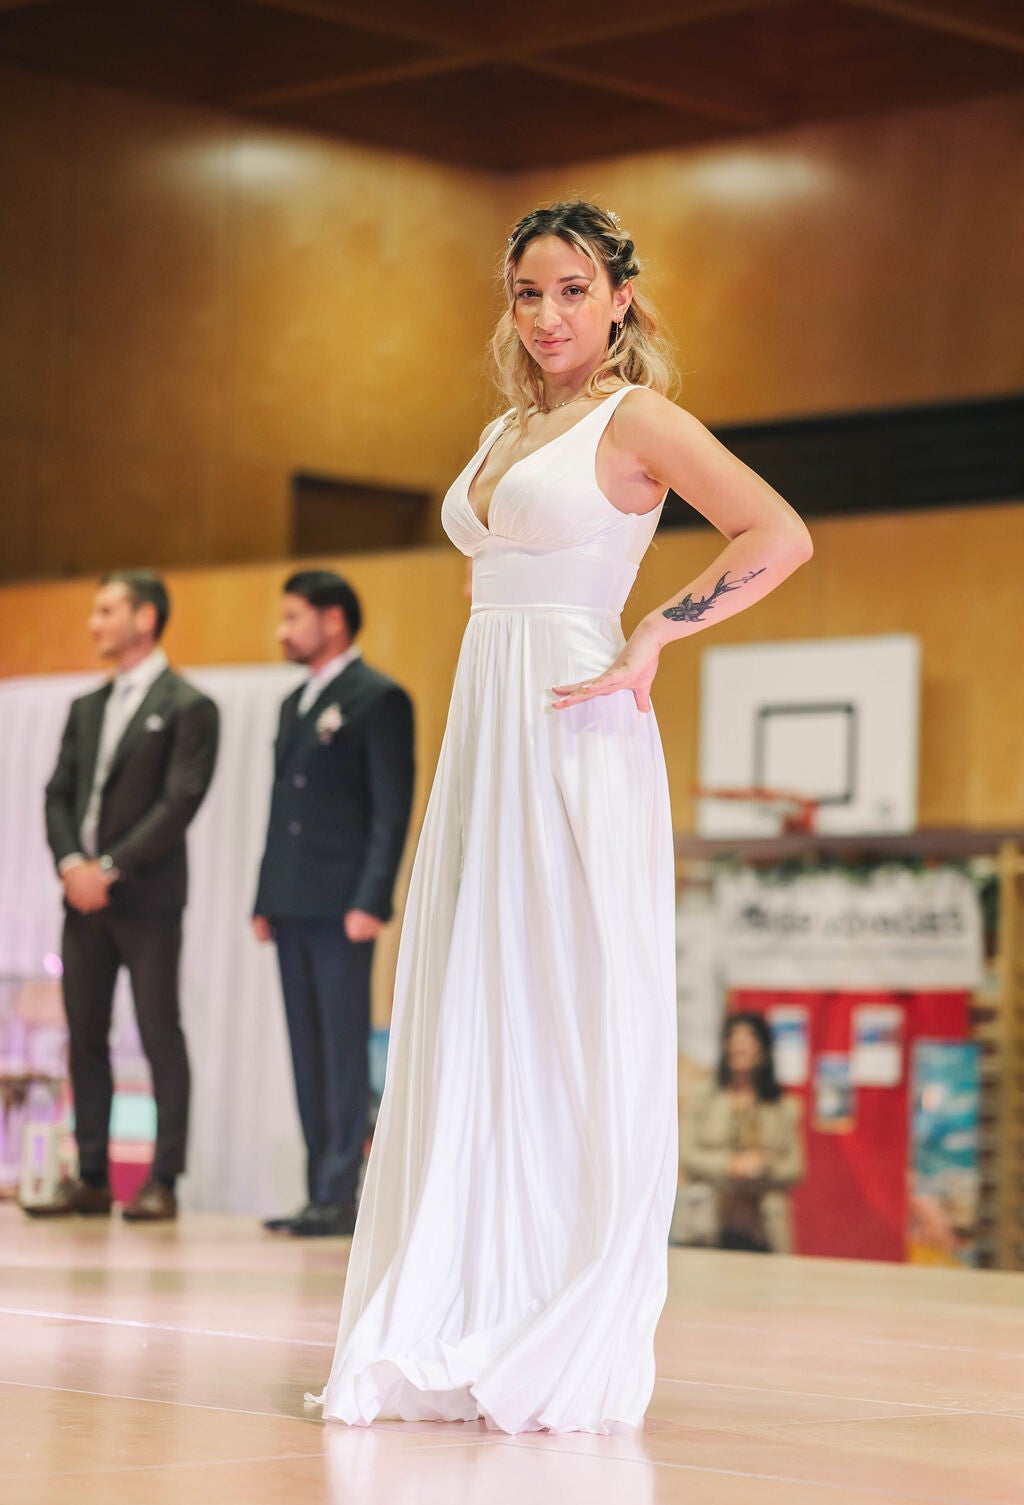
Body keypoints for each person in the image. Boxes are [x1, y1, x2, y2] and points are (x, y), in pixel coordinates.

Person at [309, 199, 813, 1433]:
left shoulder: (635, 416)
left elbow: (779, 532)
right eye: (527, 292)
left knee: (561, 997)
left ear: (619, 298)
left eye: (573, 290)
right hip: (490, 717)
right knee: (475, 1001)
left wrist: (656, 633)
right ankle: (465, 1291)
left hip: (579, 712)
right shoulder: (506, 427)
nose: (547, 315)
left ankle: (550, 1306)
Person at [33, 570, 219, 1222]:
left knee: (159, 1030)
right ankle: (90, 1174)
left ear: (146, 617)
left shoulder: (189, 704)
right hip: (81, 899)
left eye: (106, 610)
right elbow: (57, 794)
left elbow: (179, 803)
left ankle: (163, 1178)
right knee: (85, 1033)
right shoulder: (87, 706)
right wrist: (71, 864)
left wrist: (108, 868)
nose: (94, 623)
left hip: (147, 899)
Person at [254, 571, 415, 1237]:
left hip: (343, 903)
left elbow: (390, 808)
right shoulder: (295, 701)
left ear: (334, 620)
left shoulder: (378, 697)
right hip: (292, 899)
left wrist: (371, 898)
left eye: (294, 617)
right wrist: (264, 894)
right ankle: (317, 1187)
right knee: (305, 1049)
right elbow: (281, 809)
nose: (282, 631)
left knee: (342, 1049)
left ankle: (341, 1189)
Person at [678, 1012, 805, 1253]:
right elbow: (687, 1154)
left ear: (763, 1049)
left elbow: (795, 1167)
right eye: (734, 1038)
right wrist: (729, 1164)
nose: (740, 1046)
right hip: (708, 1221)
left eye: (748, 1039)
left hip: (763, 1223)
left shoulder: (782, 1105)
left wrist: (764, 1164)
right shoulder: (703, 1097)